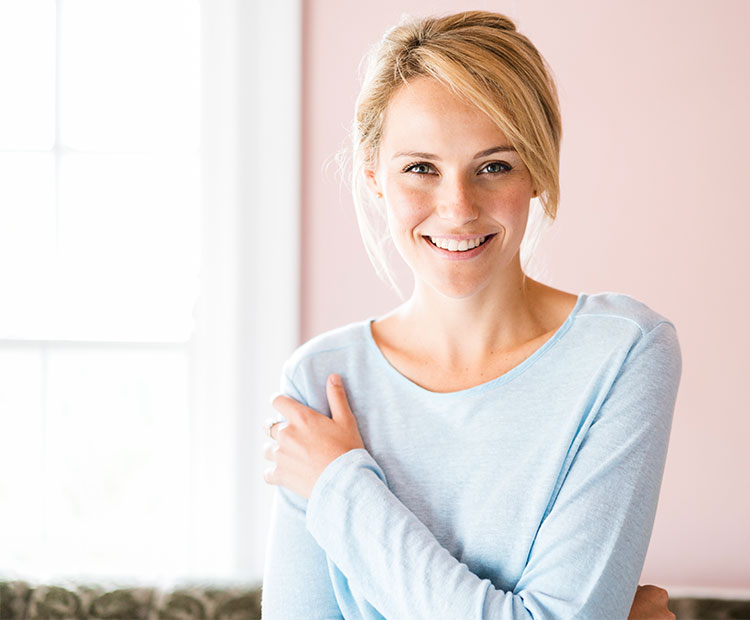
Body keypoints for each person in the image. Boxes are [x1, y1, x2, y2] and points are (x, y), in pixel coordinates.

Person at [260, 10, 680, 620]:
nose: (457, 208)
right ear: (374, 175)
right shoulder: (321, 380)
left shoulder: (624, 352)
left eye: (494, 166)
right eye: (420, 169)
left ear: (536, 168)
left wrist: (340, 487)